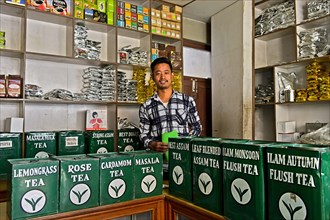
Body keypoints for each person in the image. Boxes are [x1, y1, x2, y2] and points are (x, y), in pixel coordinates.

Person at [139, 57, 202, 152]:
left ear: (172, 76)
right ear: (153, 77)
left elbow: (197, 127)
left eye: (166, 72)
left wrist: (185, 143)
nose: (162, 77)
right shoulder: (146, 106)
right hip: (159, 159)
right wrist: (151, 144)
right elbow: (143, 134)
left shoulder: (187, 101)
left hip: (182, 157)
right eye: (158, 73)